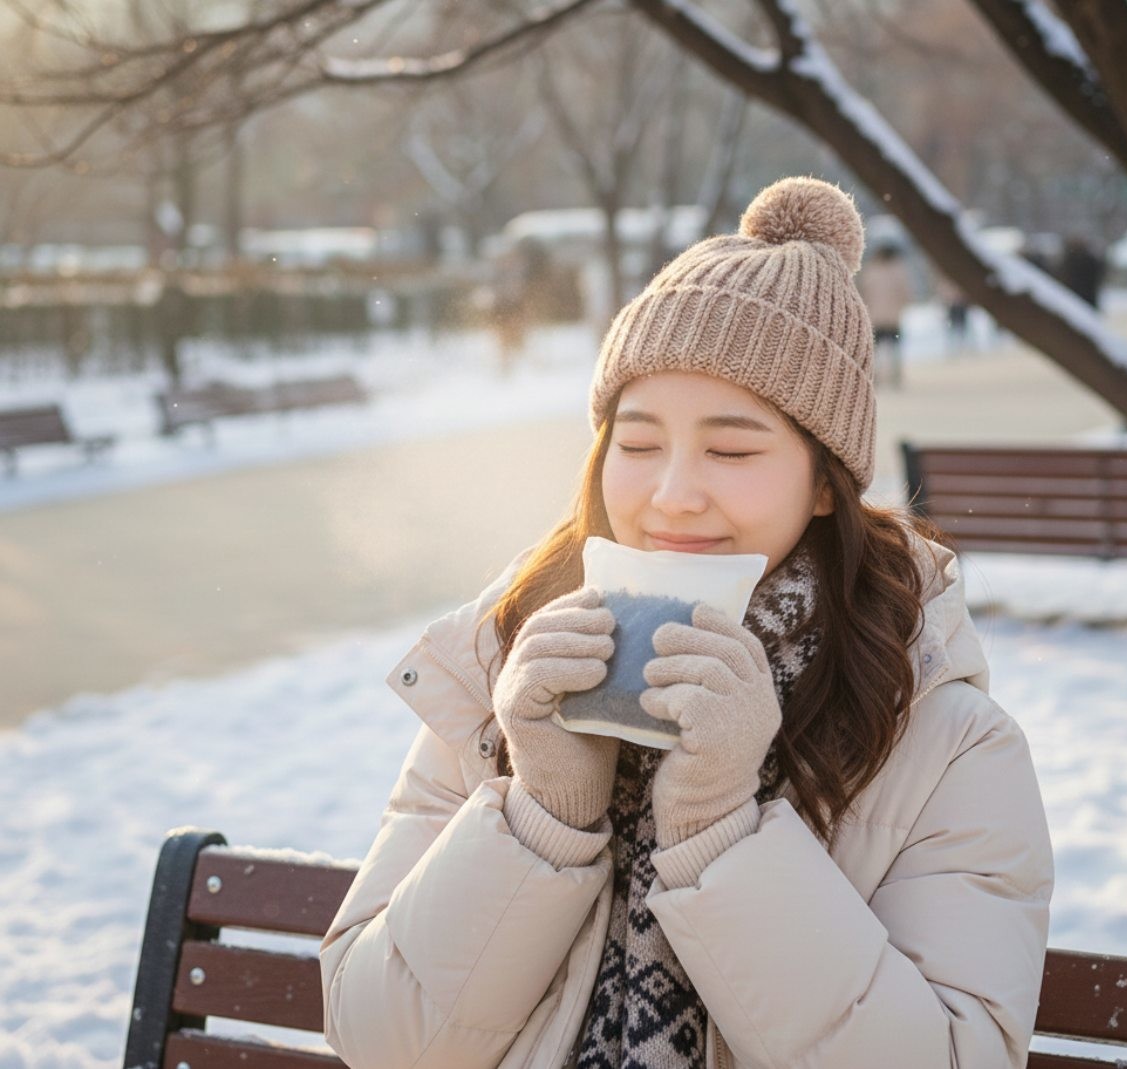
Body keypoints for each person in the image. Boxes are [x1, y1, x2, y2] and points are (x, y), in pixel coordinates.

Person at [320, 177, 1054, 1069]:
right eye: (636, 443)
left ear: (825, 484)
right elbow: (380, 1039)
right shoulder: (505, 668)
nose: (671, 494)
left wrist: (718, 831)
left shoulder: (945, 741)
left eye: (731, 449)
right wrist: (542, 815)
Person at [857, 241, 912, 387]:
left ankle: (875, 377)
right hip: (893, 318)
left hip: (875, 317)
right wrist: (901, 305)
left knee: (876, 350)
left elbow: (863, 292)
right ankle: (895, 376)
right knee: (895, 348)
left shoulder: (871, 271)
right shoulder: (898, 271)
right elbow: (905, 293)